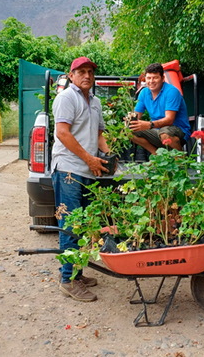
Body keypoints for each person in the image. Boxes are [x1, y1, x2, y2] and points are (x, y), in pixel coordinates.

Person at [52, 56, 112, 302]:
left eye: (90, 71)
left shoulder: (95, 102)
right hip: (68, 169)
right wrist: (89, 159)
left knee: (83, 225)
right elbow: (62, 133)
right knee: (70, 224)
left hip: (88, 169)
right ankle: (68, 280)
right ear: (72, 74)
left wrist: (108, 155)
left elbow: (99, 135)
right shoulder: (67, 98)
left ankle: (75, 273)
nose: (87, 75)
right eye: (81, 71)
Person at [130, 63, 191, 154]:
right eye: (149, 78)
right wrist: (129, 122)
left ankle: (179, 157)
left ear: (162, 79)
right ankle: (156, 155)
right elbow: (136, 116)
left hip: (177, 131)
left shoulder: (171, 91)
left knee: (165, 133)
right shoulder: (144, 93)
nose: (151, 81)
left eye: (155, 78)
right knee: (129, 131)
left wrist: (149, 124)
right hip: (157, 131)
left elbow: (169, 120)